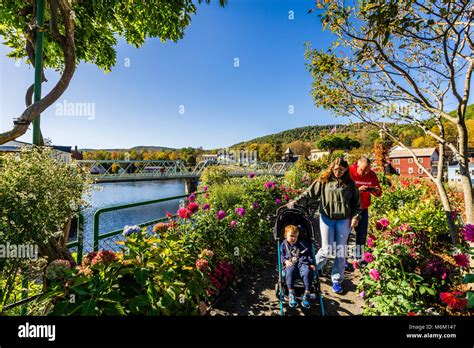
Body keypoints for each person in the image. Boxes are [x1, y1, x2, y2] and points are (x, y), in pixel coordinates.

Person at [287, 157, 361, 294]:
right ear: (332, 168)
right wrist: (295, 202)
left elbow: (357, 204)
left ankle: (337, 280)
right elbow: (309, 194)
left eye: (341, 170)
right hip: (326, 218)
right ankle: (312, 269)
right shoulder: (324, 180)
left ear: (346, 170)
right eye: (335, 169)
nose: (337, 172)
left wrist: (356, 217)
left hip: (343, 220)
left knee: (340, 250)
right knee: (327, 249)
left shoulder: (350, 184)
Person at [348, 156, 382, 266]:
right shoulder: (349, 171)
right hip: (349, 208)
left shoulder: (372, 175)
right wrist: (358, 190)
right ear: (357, 165)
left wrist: (376, 190)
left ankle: (358, 258)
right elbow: (342, 190)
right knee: (345, 234)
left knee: (361, 234)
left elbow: (379, 193)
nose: (365, 173)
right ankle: (342, 260)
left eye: (367, 170)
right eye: (362, 170)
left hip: (363, 208)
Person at [280, 224, 316, 308]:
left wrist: (311, 263)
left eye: (296, 236)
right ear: (285, 236)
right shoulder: (283, 245)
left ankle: (306, 293)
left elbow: (309, 254)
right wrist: (285, 261)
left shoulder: (303, 244)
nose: (294, 238)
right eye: (291, 236)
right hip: (290, 263)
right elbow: (281, 255)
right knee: (289, 271)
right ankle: (291, 292)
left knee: (307, 272)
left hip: (303, 263)